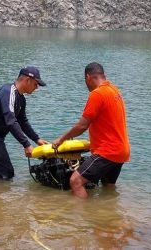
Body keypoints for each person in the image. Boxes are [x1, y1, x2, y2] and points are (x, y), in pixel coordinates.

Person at [52, 62, 130, 198]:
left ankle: (82, 218)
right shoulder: (115, 90)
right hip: (122, 151)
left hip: (107, 152)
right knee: (108, 188)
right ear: (103, 76)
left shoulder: (97, 94)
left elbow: (82, 125)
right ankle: (108, 216)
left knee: (75, 181)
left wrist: (61, 139)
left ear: (88, 77)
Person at [0, 66, 48, 180]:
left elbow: (22, 122)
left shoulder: (21, 99)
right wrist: (26, 144)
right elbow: (11, 121)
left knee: (2, 170)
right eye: (36, 84)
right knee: (7, 173)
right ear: (27, 80)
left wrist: (36, 139)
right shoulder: (8, 92)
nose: (37, 87)